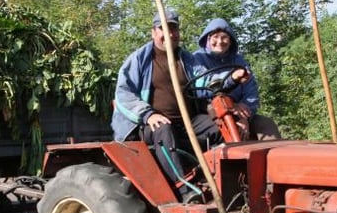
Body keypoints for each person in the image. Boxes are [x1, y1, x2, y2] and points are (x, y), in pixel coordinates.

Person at [111, 10, 228, 201]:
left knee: (218, 127)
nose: (170, 34)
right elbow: (124, 94)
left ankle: (220, 182)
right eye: (163, 29)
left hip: (187, 122)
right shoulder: (139, 59)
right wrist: (148, 115)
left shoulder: (187, 59)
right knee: (163, 128)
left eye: (174, 29)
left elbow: (206, 80)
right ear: (154, 32)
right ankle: (184, 188)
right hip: (146, 125)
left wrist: (230, 78)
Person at [194, 18, 282, 140]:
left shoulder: (239, 61)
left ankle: (274, 157)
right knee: (229, 129)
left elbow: (251, 91)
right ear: (208, 39)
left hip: (241, 112)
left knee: (266, 124)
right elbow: (203, 88)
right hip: (211, 113)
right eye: (215, 37)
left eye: (224, 37)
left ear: (231, 41)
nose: (220, 41)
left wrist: (245, 117)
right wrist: (231, 107)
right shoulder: (198, 59)